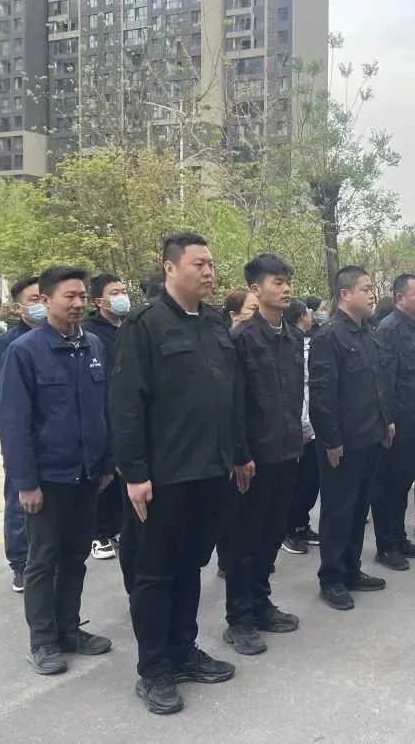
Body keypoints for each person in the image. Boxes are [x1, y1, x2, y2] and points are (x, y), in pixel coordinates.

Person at [110, 233, 249, 714]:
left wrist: (240, 453)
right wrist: (135, 473)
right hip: (164, 476)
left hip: (211, 471)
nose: (208, 272)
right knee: (153, 573)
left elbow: (230, 396)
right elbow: (126, 404)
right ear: (169, 268)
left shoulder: (213, 323)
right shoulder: (144, 325)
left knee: (191, 565)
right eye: (198, 264)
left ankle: (183, 651)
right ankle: (154, 670)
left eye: (211, 264)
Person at [0, 266, 113, 675]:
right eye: (69, 296)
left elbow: (104, 410)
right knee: (43, 560)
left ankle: (69, 629)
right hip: (48, 479)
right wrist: (26, 483)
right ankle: (43, 641)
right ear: (46, 301)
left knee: (76, 556)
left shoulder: (93, 345)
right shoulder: (24, 351)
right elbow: (14, 424)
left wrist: (106, 462)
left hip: (87, 475)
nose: (78, 303)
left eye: (82, 295)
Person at [220, 254, 305, 656]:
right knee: (244, 540)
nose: (285, 289)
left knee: (272, 533)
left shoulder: (293, 337)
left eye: (287, 281)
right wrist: (240, 454)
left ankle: (261, 602)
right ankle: (239, 619)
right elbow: (233, 403)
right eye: (276, 282)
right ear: (256, 289)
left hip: (287, 451)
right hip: (253, 459)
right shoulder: (240, 339)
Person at [308, 265, 393, 610]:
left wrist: (386, 422)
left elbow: (376, 384)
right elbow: (322, 395)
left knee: (359, 510)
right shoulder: (329, 336)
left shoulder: (366, 332)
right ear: (345, 294)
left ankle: (351, 570)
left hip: (369, 436)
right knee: (338, 511)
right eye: (366, 288)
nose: (372, 295)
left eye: (372, 288)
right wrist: (331, 441)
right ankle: (331, 578)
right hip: (342, 444)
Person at [371, 274, 415, 569]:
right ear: (399, 298)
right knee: (389, 486)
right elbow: (385, 381)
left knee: (403, 484)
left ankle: (399, 537)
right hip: (399, 423)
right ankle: (386, 546)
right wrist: (388, 421)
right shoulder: (389, 330)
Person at [0, 275, 43, 592]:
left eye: (43, 298)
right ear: (18, 306)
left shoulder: (61, 338)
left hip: (54, 442)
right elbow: (2, 404)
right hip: (22, 439)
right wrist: (12, 446)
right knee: (19, 499)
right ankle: (20, 563)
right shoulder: (8, 345)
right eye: (33, 300)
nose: (40, 305)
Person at [84, 273, 130, 561]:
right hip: (103, 411)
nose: (122, 296)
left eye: (123, 290)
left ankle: (121, 525)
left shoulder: (131, 326)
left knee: (124, 472)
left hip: (127, 411)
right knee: (105, 475)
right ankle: (99, 533)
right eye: (115, 292)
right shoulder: (91, 332)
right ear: (99, 301)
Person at [281, 299, 321, 555]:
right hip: (299, 427)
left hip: (312, 426)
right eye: (308, 312)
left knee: (310, 480)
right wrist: (303, 425)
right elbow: (299, 389)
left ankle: (302, 523)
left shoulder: (308, 341)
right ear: (300, 316)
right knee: (298, 482)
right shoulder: (291, 344)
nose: (312, 316)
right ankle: (289, 529)